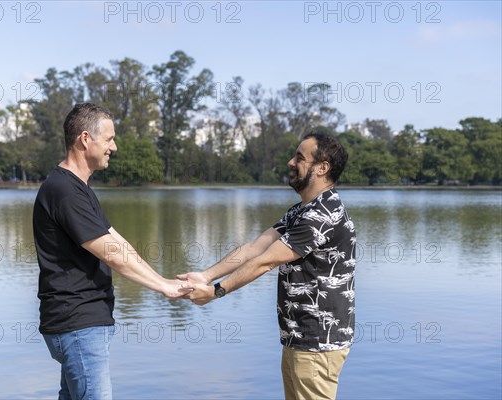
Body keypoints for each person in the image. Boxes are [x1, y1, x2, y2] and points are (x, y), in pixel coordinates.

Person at [180, 132, 356, 400]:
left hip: (317, 341)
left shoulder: (322, 215)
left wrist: (215, 292)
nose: (290, 162)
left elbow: (266, 261)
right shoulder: (302, 210)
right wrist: (204, 276)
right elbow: (255, 248)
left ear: (322, 168)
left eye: (300, 158)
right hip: (299, 338)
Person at [33, 103, 187, 400]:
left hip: (80, 323)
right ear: (85, 139)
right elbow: (113, 256)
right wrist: (164, 287)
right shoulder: (64, 191)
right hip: (78, 323)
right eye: (109, 139)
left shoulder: (78, 189)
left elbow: (118, 243)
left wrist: (164, 281)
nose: (113, 147)